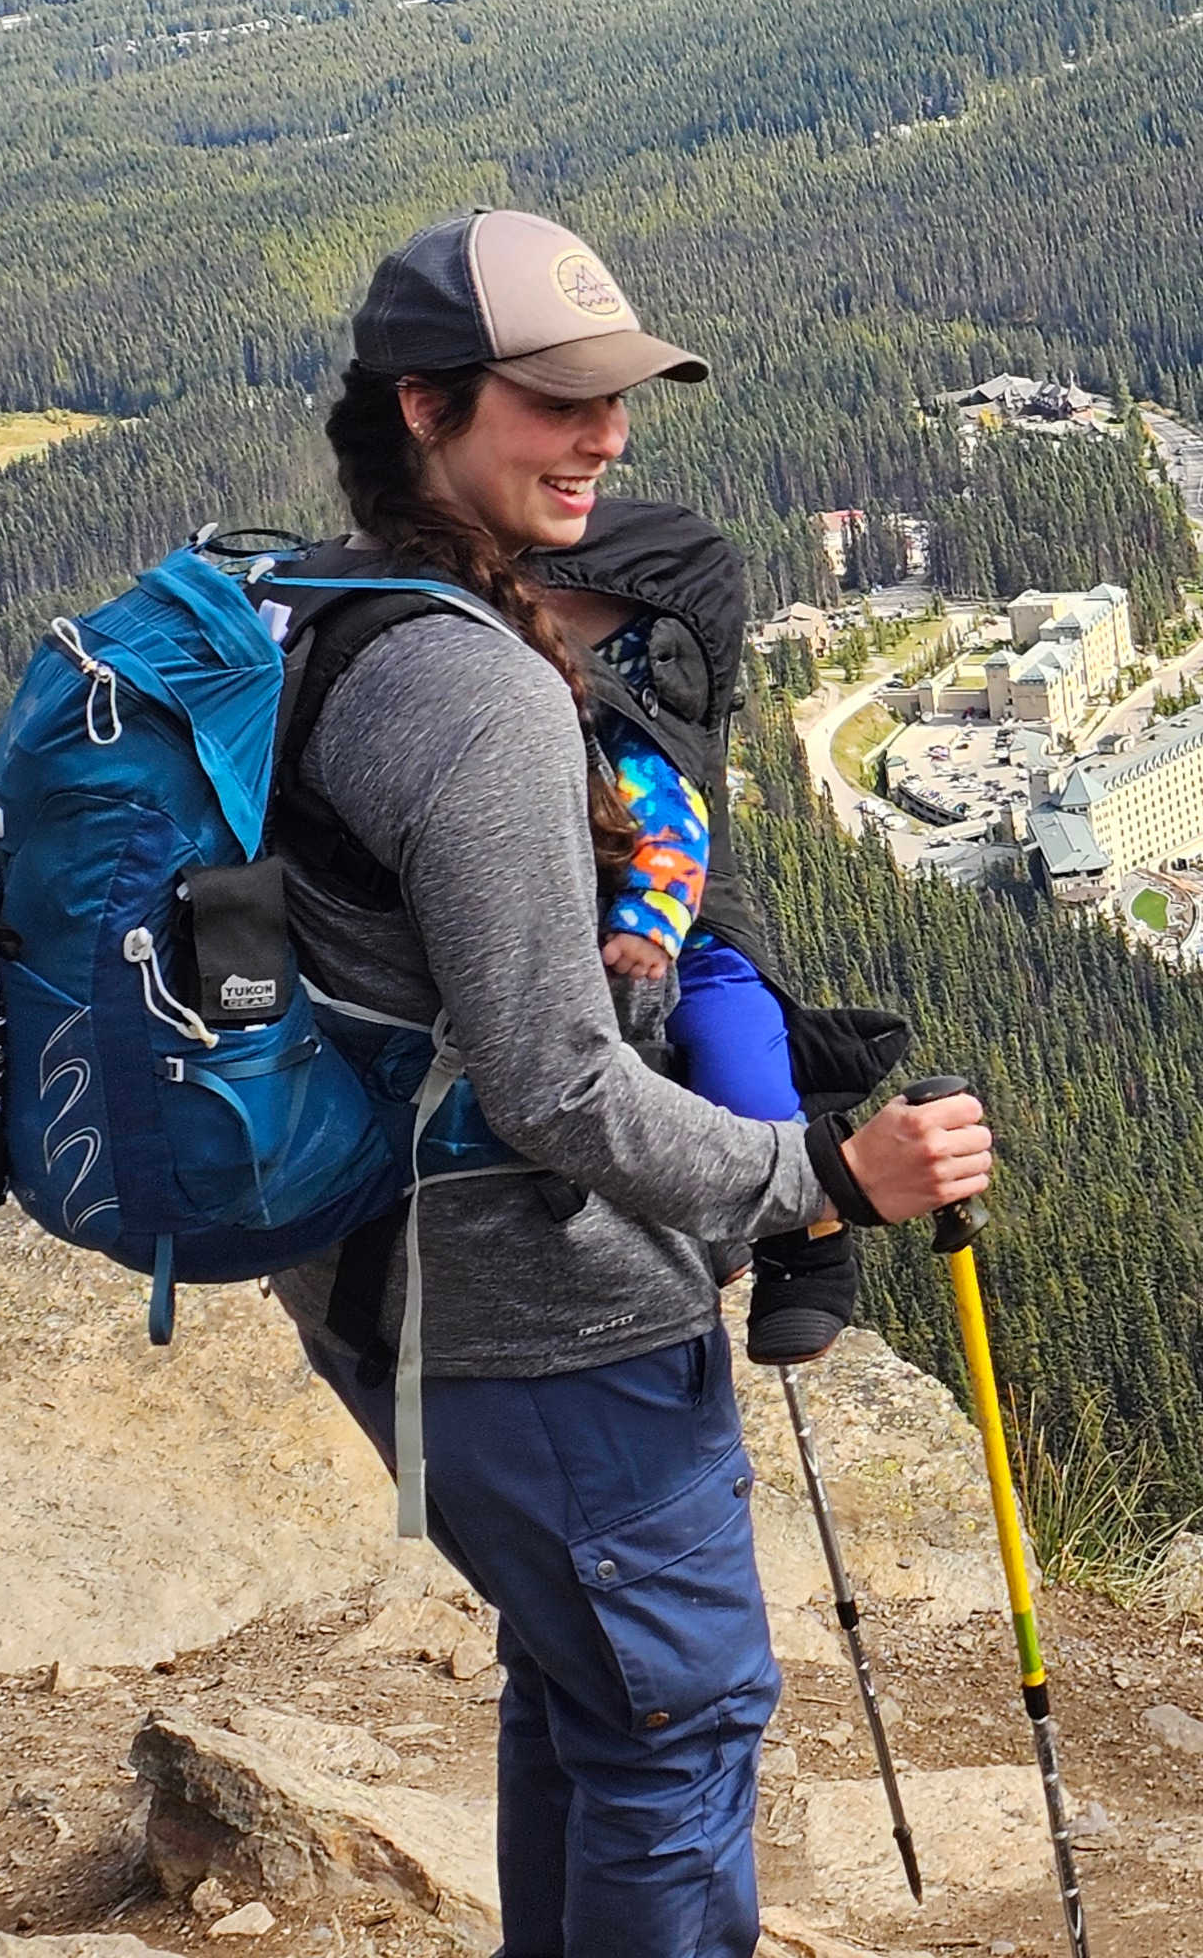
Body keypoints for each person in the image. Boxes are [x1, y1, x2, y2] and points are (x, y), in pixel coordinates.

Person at [273, 205, 991, 1958]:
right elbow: (553, 1086)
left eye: (618, 401)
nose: (605, 436)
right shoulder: (478, 693)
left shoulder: (337, 606)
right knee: (680, 1728)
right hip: (540, 1319)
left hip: (400, 1278)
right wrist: (823, 1178)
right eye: (557, 403)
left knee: (589, 1702)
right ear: (427, 408)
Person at [536, 493, 868, 1366]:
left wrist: (650, 924)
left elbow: (676, 835)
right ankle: (713, 1232)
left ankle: (811, 1239)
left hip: (692, 943)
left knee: (739, 1067)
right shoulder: (534, 695)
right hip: (582, 934)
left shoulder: (629, 730)